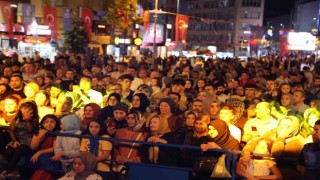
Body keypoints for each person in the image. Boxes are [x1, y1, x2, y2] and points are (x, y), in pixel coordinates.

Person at [2, 101, 39, 178]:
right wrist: (15, 141)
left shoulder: (35, 118)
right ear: (21, 109)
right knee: (8, 151)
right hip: (17, 138)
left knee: (18, 151)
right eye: (25, 108)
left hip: (28, 139)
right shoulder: (17, 117)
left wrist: (28, 120)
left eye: (30, 109)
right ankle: (14, 170)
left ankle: (9, 171)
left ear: (33, 110)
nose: (27, 110)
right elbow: (11, 130)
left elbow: (30, 130)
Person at [30, 114, 61, 180]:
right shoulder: (37, 132)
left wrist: (39, 152)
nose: (49, 124)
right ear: (43, 123)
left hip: (48, 156)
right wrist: (40, 136)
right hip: (37, 156)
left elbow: (54, 148)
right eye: (46, 122)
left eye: (52, 122)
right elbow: (33, 147)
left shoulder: (57, 133)